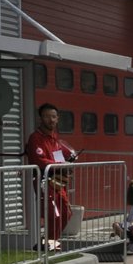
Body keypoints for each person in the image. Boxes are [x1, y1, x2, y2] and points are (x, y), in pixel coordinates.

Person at [24, 103, 77, 249]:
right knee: (55, 215)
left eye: (53, 117)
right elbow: (38, 160)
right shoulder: (35, 138)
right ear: (40, 118)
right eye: (47, 116)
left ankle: (48, 244)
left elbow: (57, 157)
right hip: (44, 182)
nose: (51, 120)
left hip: (58, 182)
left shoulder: (54, 138)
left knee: (66, 213)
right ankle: (49, 245)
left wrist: (68, 162)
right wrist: (60, 165)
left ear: (57, 118)